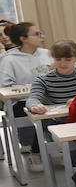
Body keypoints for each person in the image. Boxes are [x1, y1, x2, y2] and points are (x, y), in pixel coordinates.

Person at [2, 21, 54, 155]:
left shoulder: (47, 54)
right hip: (21, 102)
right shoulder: (9, 59)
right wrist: (32, 89)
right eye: (36, 34)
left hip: (50, 98)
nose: (41, 36)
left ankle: (60, 149)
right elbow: (5, 87)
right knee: (42, 111)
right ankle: (37, 151)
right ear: (23, 39)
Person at [25, 40, 76, 115]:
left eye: (68, 60)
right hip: (60, 121)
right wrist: (35, 106)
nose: (62, 63)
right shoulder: (43, 79)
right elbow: (32, 99)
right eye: (58, 59)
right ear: (53, 58)